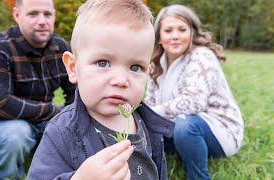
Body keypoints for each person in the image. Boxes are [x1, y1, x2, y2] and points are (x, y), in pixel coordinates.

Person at [27, 0, 175, 179]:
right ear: (73, 68)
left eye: (135, 67)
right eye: (103, 63)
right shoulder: (61, 132)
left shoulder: (148, 124)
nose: (121, 81)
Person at [0, 0, 76, 179]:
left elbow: (75, 91)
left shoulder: (61, 48)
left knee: (73, 125)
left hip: (41, 118)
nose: (42, 20)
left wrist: (68, 118)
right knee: (16, 133)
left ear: (54, 16)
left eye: (47, 14)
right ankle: (3, 176)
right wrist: (53, 111)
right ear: (17, 15)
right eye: (33, 14)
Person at [144, 4, 244, 180]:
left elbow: (194, 102)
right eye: (168, 30)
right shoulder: (156, 63)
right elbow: (151, 103)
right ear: (159, 35)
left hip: (218, 130)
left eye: (182, 29)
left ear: (191, 33)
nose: (175, 36)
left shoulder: (201, 55)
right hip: (175, 125)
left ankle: (198, 176)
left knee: (185, 126)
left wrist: (149, 114)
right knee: (143, 129)